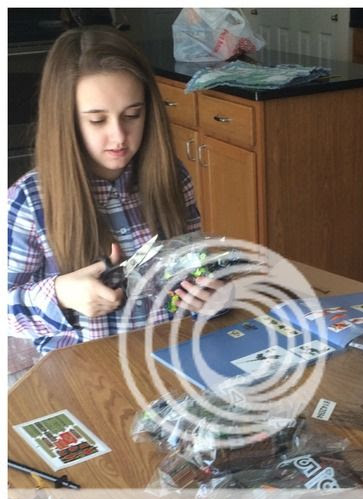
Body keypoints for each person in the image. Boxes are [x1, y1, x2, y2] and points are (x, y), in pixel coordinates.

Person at [8, 26, 224, 355]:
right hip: (84, 369)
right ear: (66, 120)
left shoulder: (172, 178)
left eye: (132, 115)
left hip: (171, 357)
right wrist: (61, 295)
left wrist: (213, 296)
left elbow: (196, 271)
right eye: (97, 120)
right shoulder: (29, 201)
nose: (119, 136)